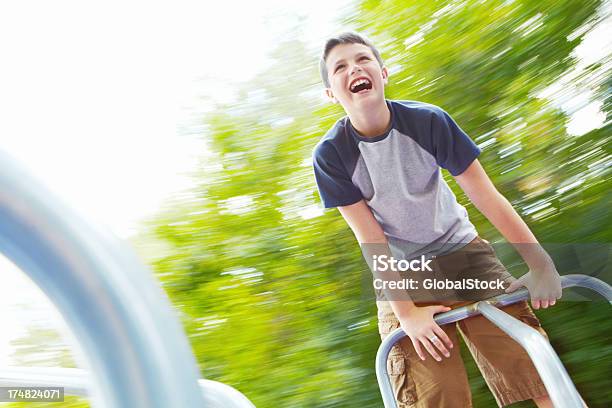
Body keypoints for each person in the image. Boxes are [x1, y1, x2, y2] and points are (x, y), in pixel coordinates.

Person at [312, 32, 563, 408]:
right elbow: (371, 238)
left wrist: (540, 263)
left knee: (536, 372)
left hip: (462, 254)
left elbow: (486, 196)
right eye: (340, 67)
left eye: (362, 60)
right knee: (432, 396)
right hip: (402, 275)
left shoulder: (428, 121)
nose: (354, 69)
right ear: (332, 93)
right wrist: (407, 315)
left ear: (383, 73)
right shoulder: (331, 156)